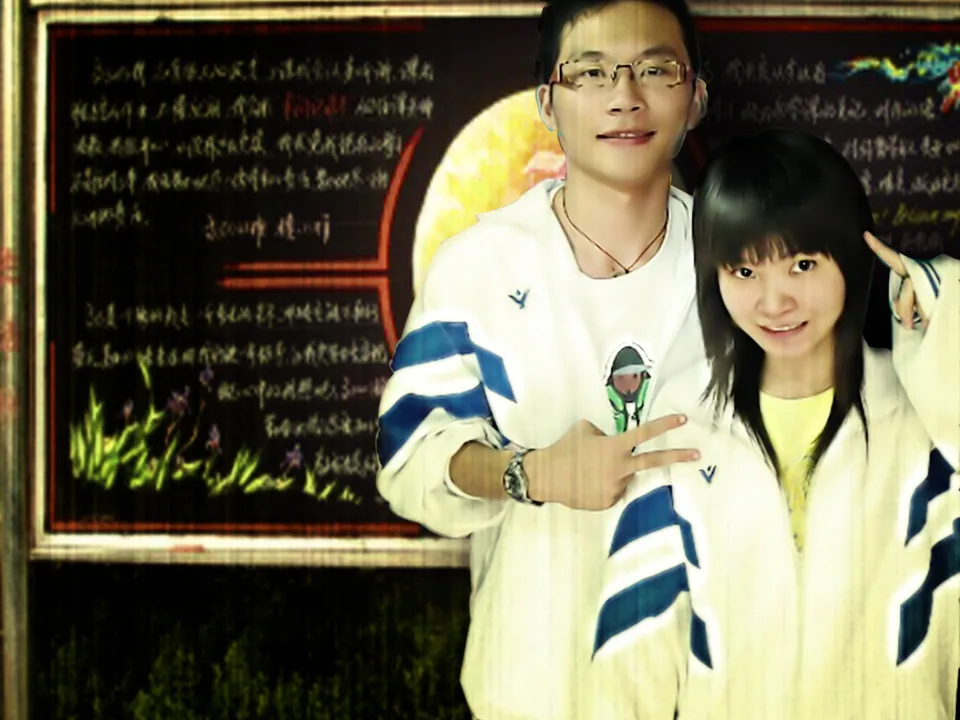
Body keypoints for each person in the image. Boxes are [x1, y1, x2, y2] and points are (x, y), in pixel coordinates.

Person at [375, 0, 709, 717]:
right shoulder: (479, 266)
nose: (625, 95)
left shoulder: (744, 265)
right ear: (548, 102)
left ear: (696, 97)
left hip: (718, 688)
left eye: (656, 69)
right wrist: (526, 473)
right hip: (532, 685)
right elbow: (410, 458)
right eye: (591, 72)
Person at [590, 128, 959, 719]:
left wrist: (947, 301)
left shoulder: (924, 414)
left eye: (802, 264)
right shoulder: (682, 423)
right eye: (743, 272)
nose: (773, 302)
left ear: (853, 255)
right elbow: (633, 651)